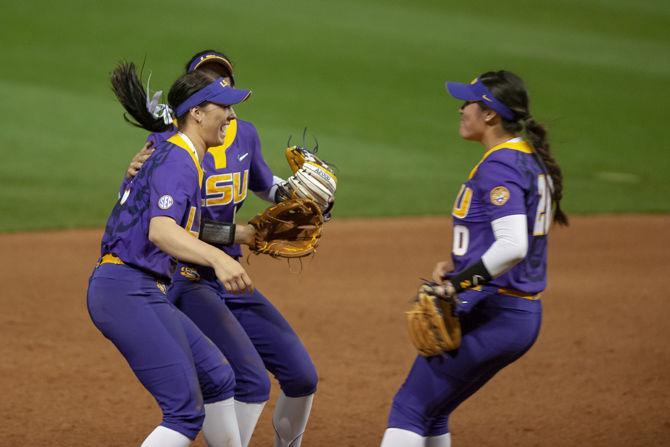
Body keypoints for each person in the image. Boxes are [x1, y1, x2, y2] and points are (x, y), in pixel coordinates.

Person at [123, 50, 318, 447]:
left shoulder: (244, 133)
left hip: (231, 278)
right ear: (195, 99)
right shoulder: (169, 146)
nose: (221, 86)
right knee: (248, 380)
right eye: (210, 80)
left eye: (225, 78)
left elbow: (265, 185)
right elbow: (168, 225)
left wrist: (301, 196)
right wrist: (239, 233)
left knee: (302, 376)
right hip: (187, 277)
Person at [380, 70, 568, 447]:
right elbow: (508, 237)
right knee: (433, 412)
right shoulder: (526, 158)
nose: (461, 109)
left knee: (410, 408)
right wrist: (458, 263)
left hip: (495, 311)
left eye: (468, 102)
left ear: (490, 115)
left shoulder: (500, 165)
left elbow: (513, 245)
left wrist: (457, 284)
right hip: (514, 313)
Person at [87, 61, 255, 447]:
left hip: (142, 288)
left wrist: (243, 234)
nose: (231, 116)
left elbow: (184, 229)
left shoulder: (183, 155)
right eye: (223, 107)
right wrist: (220, 258)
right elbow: (161, 231)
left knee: (217, 376)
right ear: (196, 113)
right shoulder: (179, 158)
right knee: (183, 412)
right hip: (124, 288)